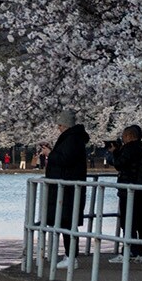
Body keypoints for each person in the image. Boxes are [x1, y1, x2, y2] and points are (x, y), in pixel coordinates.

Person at [45, 111, 91, 269]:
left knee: (67, 222)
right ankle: (70, 255)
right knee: (67, 223)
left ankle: (71, 256)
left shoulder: (71, 139)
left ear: (65, 125)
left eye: (60, 125)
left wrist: (50, 154)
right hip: (69, 188)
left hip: (67, 188)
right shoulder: (74, 139)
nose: (58, 128)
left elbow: (65, 159)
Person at [108, 125, 142, 262]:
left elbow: (119, 164)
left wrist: (114, 152)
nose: (123, 139)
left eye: (124, 136)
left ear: (129, 136)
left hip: (128, 190)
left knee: (128, 221)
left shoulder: (128, 149)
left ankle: (130, 250)